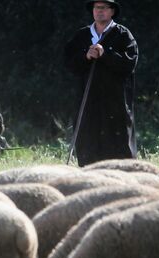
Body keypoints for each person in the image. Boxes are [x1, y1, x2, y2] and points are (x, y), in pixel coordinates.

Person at [65, 0, 138, 166]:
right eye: (96, 8)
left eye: (103, 8)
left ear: (112, 11)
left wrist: (106, 54)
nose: (99, 11)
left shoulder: (123, 35)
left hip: (115, 103)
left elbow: (129, 64)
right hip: (88, 101)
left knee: (118, 147)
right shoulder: (81, 36)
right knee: (88, 145)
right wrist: (86, 56)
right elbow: (69, 63)